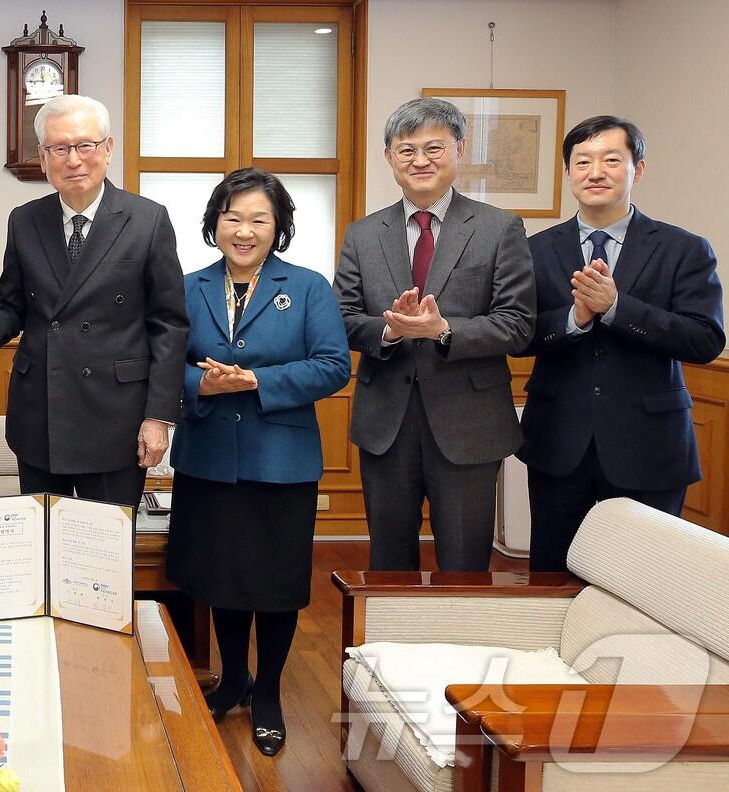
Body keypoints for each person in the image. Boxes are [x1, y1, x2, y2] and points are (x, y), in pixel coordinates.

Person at [165, 168, 350, 756]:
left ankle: (267, 691)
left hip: (282, 460)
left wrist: (254, 381)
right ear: (214, 224)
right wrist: (202, 384)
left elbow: (333, 365)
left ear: (279, 227)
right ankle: (232, 679)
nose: (244, 231)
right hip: (209, 457)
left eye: (258, 219)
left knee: (274, 583)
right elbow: (163, 365)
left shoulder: (309, 286)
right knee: (222, 577)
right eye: (232, 217)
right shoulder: (187, 287)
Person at [333, 97, 535, 572]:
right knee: (388, 563)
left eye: (433, 148)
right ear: (389, 158)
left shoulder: (499, 228)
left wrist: (444, 330)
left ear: (459, 151)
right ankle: (386, 648)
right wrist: (387, 330)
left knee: (465, 565)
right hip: (387, 422)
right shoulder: (363, 234)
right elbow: (341, 317)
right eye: (406, 151)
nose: (419, 161)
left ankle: (460, 646)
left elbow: (518, 324)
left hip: (470, 422)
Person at [518, 116, 724, 572]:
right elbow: (518, 335)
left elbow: (705, 339)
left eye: (612, 160)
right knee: (553, 575)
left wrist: (617, 308)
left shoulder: (684, 249)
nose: (596, 172)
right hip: (559, 441)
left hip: (649, 445)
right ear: (569, 173)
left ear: (638, 169)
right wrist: (574, 318)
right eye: (583, 161)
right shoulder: (534, 251)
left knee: (643, 583)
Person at [0, 94, 188, 508]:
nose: (73, 159)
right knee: (40, 548)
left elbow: (169, 324)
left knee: (103, 555)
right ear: (42, 157)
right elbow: (13, 306)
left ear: (107, 149)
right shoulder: (24, 220)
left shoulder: (147, 219)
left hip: (117, 417)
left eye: (84, 145)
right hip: (41, 414)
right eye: (60, 148)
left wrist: (158, 417)